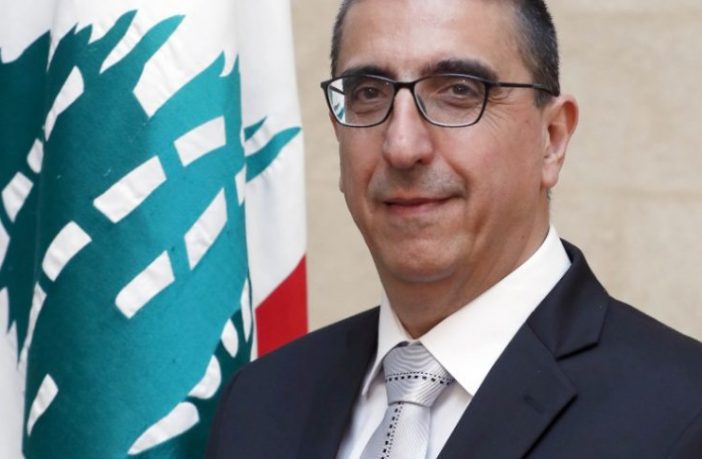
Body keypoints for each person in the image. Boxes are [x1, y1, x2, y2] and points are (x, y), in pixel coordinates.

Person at [205, 0, 702, 457]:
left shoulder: (683, 412)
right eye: (369, 94)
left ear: (551, 140)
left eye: (459, 91)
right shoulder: (258, 403)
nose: (402, 146)